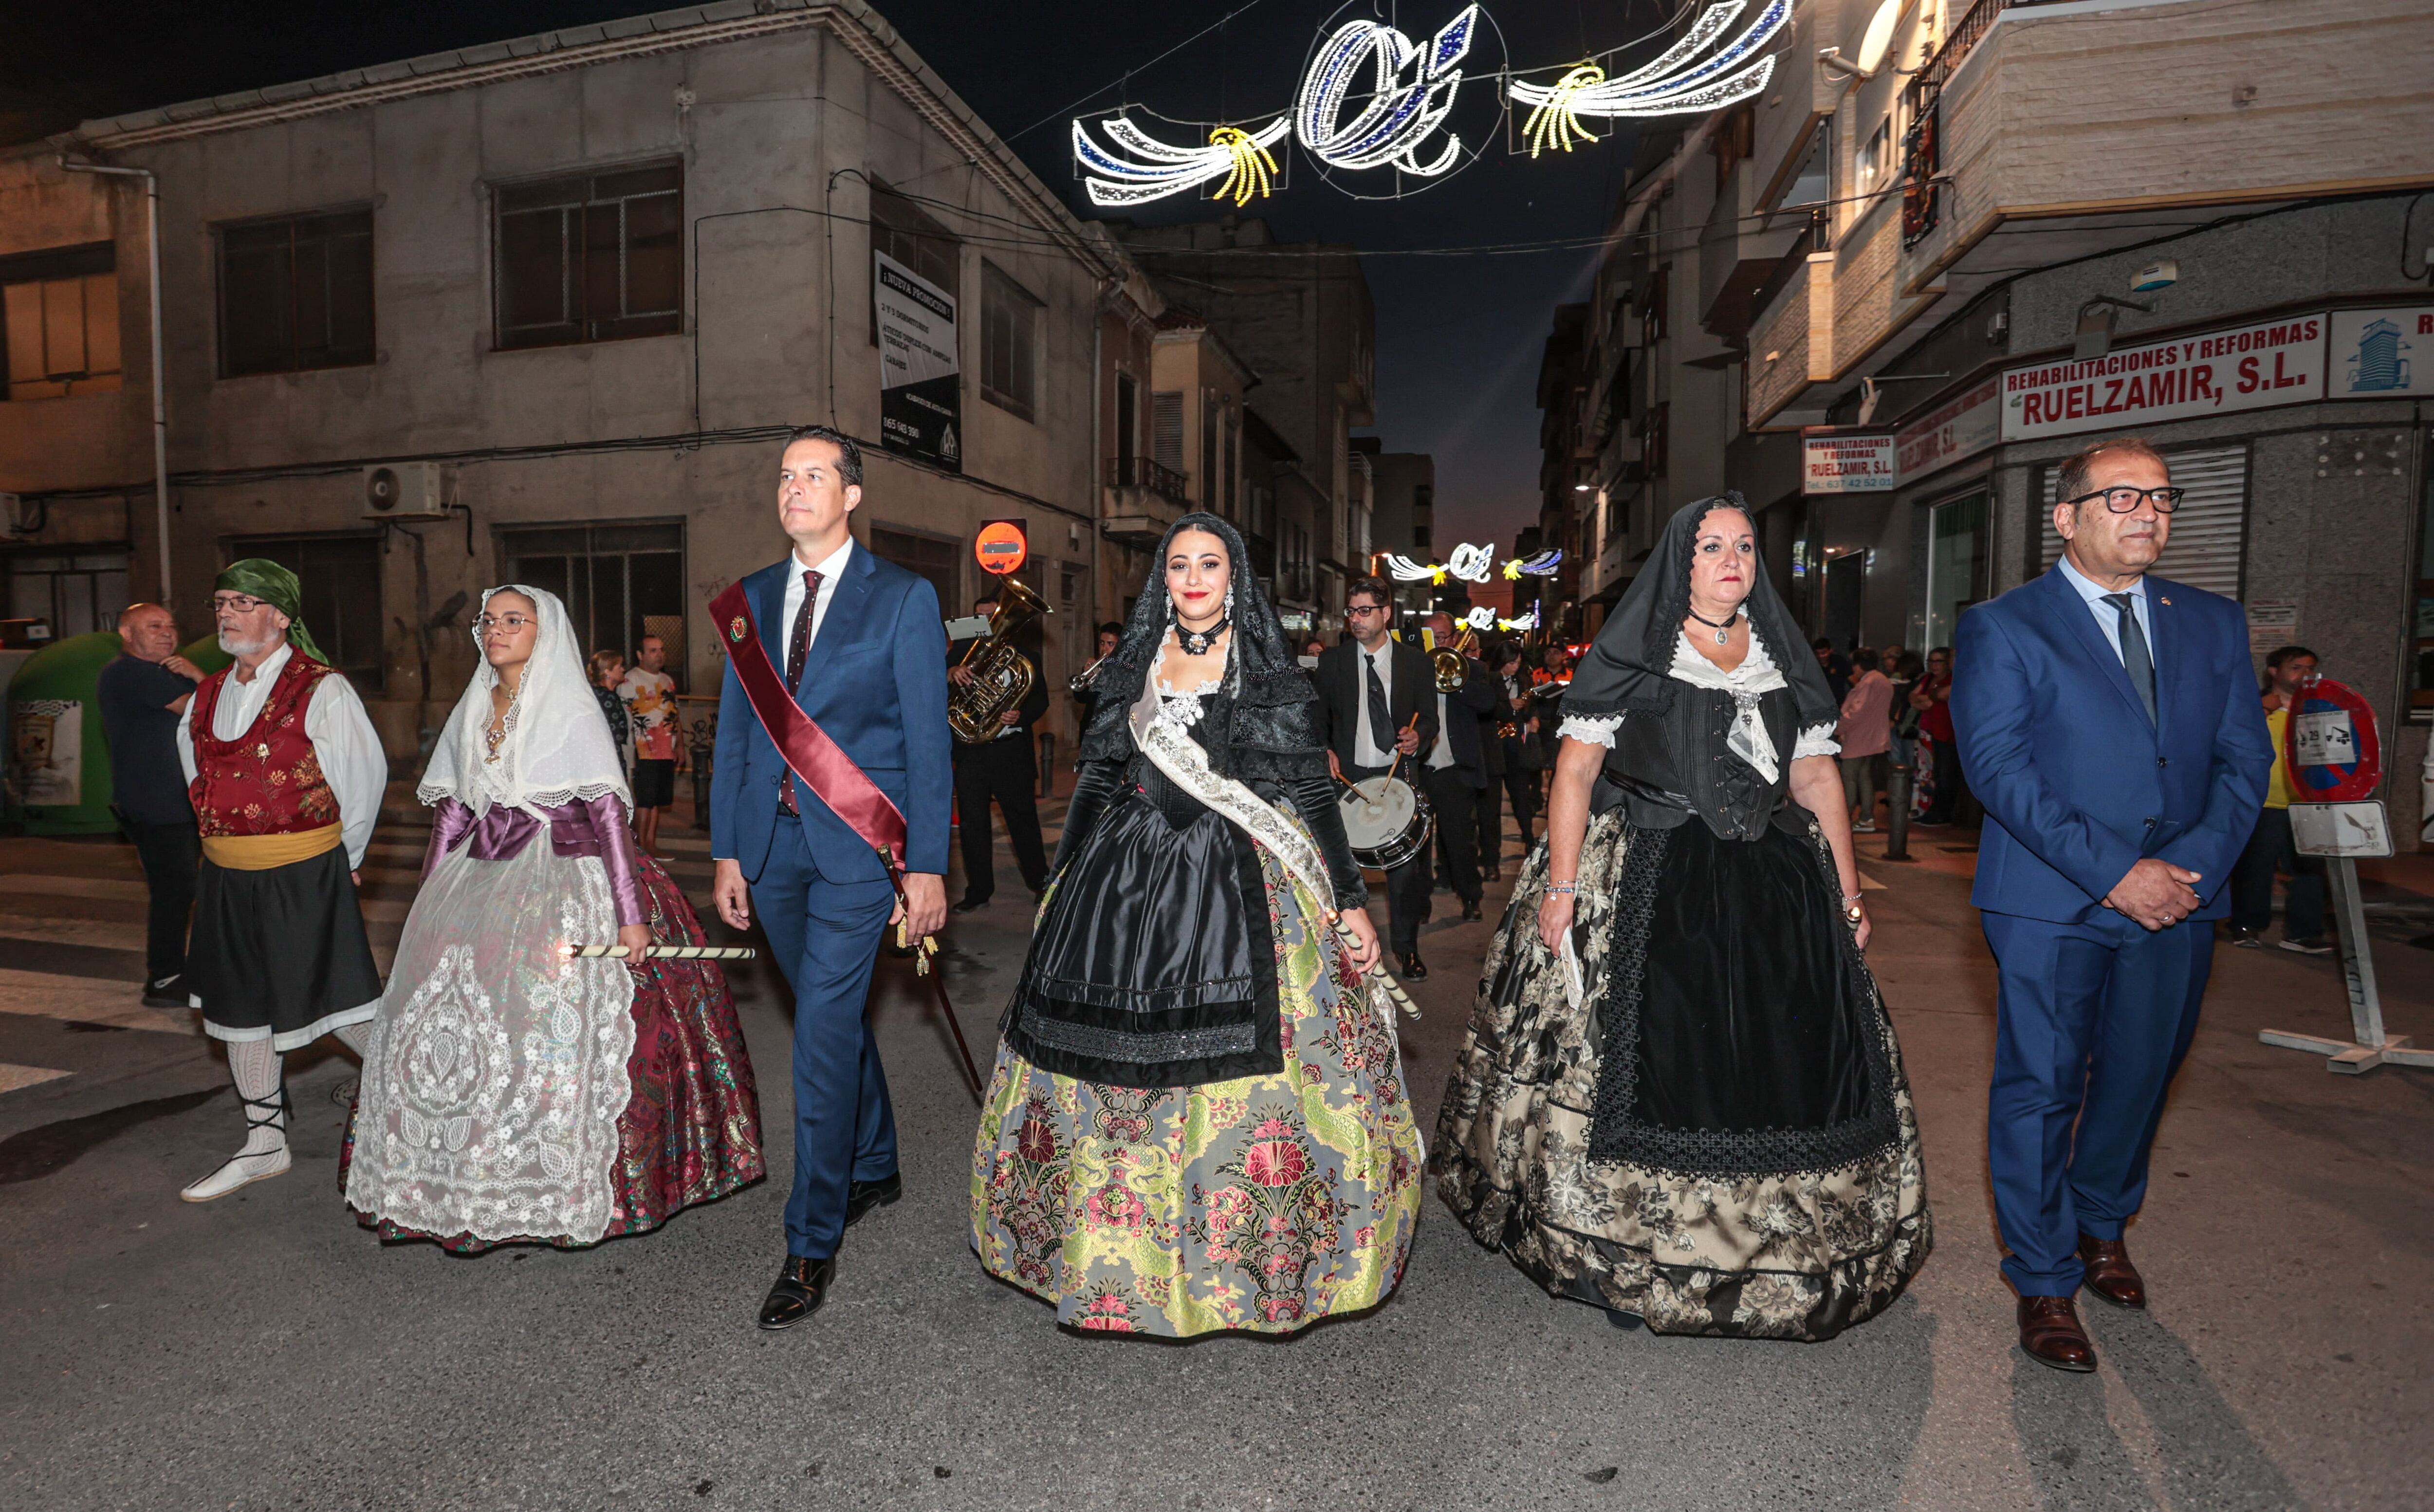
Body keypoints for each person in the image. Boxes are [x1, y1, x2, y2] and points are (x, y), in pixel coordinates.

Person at [1435, 495, 1931, 1339]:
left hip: (1774, 884)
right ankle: (1636, 1255)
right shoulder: (1637, 651)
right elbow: (1575, 776)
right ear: (1681, 561)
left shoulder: (1782, 657)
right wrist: (1562, 889)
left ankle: (1780, 1252)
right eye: (1711, 547)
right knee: (1647, 1060)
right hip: (1650, 868)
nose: (1732, 559)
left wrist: (1846, 893)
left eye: (1743, 545)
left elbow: (1813, 782)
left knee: (1781, 1057)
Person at [970, 513, 1419, 1336]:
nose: (1194, 578)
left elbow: (1311, 794)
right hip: (1126, 870)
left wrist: (1350, 896)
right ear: (1163, 580)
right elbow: (1100, 780)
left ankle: (1239, 1255)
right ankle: (1115, 1247)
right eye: (1180, 565)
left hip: (1244, 867)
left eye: (1210, 563)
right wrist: (1063, 878)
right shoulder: (1131, 666)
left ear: (1236, 577)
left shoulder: (1272, 672)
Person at [1952, 436, 2271, 1373]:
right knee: (2042, 1086)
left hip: (2180, 899)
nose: (2149, 514)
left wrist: (2194, 872)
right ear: (2068, 517)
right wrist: (2116, 873)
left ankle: (2102, 1225)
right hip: (2053, 898)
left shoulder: (2212, 622)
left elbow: (2244, 762)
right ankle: (2045, 1277)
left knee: (2141, 1073)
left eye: (2163, 499)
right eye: (2123, 498)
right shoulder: (2006, 626)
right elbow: (2000, 771)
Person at [343, 586, 763, 1249]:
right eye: (490, 620)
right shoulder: (476, 704)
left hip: (568, 873)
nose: (498, 629)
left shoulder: (569, 705)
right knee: (462, 1026)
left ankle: (559, 1174)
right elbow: (452, 813)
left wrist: (630, 917)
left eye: (516, 620)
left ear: (546, 632)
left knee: (547, 1024)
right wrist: (429, 906)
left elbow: (606, 817)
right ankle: (461, 1179)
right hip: (480, 878)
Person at [709, 425, 951, 1332]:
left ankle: (810, 1241)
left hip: (858, 854)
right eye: (785, 475)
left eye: (814, 475)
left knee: (818, 1036)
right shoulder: (751, 600)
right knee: (831, 1017)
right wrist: (730, 848)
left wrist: (926, 863)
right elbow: (736, 733)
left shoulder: (903, 597)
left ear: (851, 494)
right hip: (771, 848)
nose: (795, 487)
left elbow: (928, 742)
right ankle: (875, 1162)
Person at [173, 560, 387, 1202]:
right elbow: (197, 776)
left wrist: (341, 855)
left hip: (303, 872)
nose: (227, 613)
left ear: (281, 615)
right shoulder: (206, 694)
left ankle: (424, 1097)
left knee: (337, 1001)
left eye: (242, 601)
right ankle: (265, 1144)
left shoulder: (320, 688)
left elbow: (363, 778)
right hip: (227, 879)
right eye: (221, 601)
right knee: (240, 1010)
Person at [1316, 579, 1439, 979]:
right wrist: (1325, 749)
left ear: (1387, 613)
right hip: (1348, 779)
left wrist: (1419, 737)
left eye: (1365, 610)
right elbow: (1316, 717)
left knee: (1404, 873)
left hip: (1396, 777)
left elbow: (1430, 716)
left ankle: (1407, 950)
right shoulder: (1333, 662)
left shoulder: (1416, 662)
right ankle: (1346, 950)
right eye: (1351, 611)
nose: (1355, 619)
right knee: (1341, 868)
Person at [97, 602, 203, 1007]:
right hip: (157, 805)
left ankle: (177, 972)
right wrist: (198, 676)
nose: (167, 633)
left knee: (180, 889)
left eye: (171, 626)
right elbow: (209, 713)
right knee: (175, 890)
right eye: (154, 626)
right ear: (127, 634)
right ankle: (165, 979)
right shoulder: (132, 673)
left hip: (172, 802)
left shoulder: (156, 675)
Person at [949, 590, 1051, 914]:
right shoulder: (962, 654)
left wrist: (1020, 716)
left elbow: (1040, 701)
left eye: (992, 617)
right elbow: (934, 682)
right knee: (973, 826)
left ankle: (1040, 883)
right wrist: (950, 674)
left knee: (1023, 823)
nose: (986, 624)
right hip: (972, 753)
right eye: (980, 618)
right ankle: (978, 891)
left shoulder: (1027, 657)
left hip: (1010, 752)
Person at [2228, 645, 2330, 953]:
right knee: (2255, 868)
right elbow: (2234, 739)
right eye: (2297, 667)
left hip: (2305, 803)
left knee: (2309, 871)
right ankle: (2248, 926)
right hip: (2263, 803)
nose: (2305, 674)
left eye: (2310, 668)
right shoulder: (2253, 704)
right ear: (2275, 671)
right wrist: (2263, 708)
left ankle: (2303, 933)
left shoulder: (2317, 709)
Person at [1421, 611, 1501, 922]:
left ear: (1454, 639)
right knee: (1418, 849)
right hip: (1421, 769)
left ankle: (1471, 897)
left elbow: (1487, 703)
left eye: (1442, 637)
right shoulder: (1412, 671)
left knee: (1460, 843)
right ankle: (1420, 907)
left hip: (1455, 771)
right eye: (1432, 638)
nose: (1437, 643)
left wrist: (1456, 681)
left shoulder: (1474, 669)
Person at [619, 635, 680, 855]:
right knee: (645, 800)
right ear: (640, 655)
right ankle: (640, 848)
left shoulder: (667, 680)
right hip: (643, 750)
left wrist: (679, 746)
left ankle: (651, 844)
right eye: (653, 650)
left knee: (657, 801)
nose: (659, 654)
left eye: (661, 650)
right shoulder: (631, 680)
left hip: (665, 749)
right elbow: (624, 718)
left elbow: (675, 715)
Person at [1838, 646, 1894, 833]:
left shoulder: (1868, 683)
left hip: (1858, 738)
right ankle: (1866, 818)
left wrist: (1839, 727)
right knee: (1865, 779)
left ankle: (1845, 818)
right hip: (1873, 738)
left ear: (1859, 665)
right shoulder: (1883, 681)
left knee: (1850, 778)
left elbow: (1855, 711)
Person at [1492, 643, 1541, 851]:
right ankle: (1491, 853)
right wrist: (1507, 705)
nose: (1515, 667)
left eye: (1518, 663)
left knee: (1521, 795)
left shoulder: (1522, 680)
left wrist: (1534, 719)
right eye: (1512, 663)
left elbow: (1532, 708)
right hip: (1494, 744)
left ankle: (1529, 838)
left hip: (1516, 745)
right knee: (1491, 805)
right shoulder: (1490, 679)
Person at [1913, 646, 1960, 824]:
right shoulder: (1927, 679)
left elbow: (1935, 697)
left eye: (1938, 661)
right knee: (1932, 773)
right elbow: (1915, 698)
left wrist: (1930, 697)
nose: (1934, 665)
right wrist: (1929, 698)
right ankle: (1930, 809)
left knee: (1945, 773)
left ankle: (1942, 813)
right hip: (1930, 732)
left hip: (1947, 732)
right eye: (1931, 661)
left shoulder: (1953, 679)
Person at [589, 649, 632, 774]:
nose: (623, 670)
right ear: (608, 671)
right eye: (619, 666)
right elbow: (617, 733)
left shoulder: (596, 694)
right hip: (608, 760)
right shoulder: (607, 697)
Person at [1813, 636, 1852, 704]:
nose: (1821, 656)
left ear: (1830, 651)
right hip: (1820, 703)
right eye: (1818, 654)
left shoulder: (1839, 662)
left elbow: (1852, 679)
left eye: (1824, 653)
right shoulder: (1813, 664)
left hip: (1838, 702)